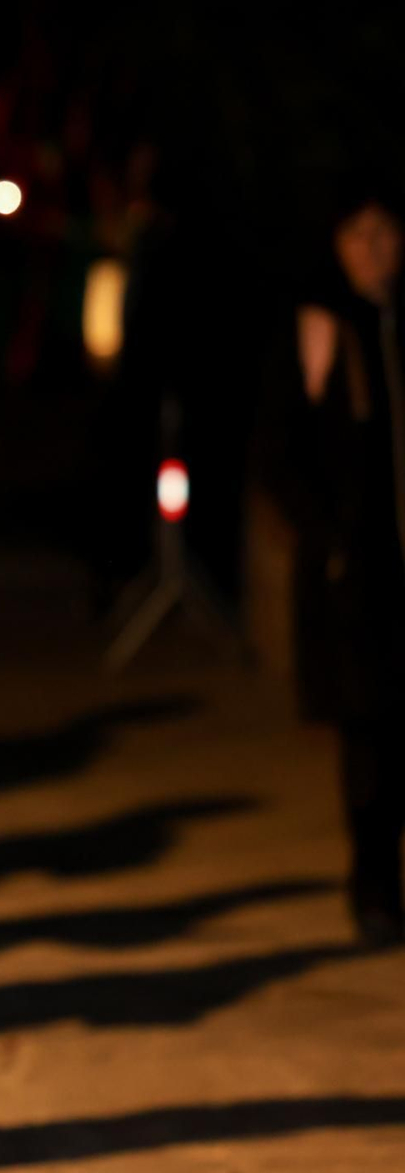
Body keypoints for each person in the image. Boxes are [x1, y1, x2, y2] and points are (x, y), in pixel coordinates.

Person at [277, 190, 405, 947]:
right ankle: (375, 889)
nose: (375, 247)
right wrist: (329, 540)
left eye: (387, 231)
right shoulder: (321, 331)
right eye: (358, 233)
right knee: (369, 743)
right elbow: (276, 452)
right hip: (356, 580)